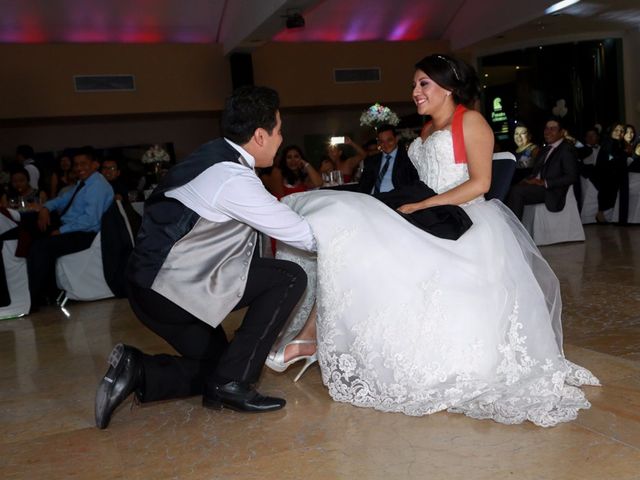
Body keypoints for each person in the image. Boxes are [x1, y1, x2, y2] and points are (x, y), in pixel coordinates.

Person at [266, 54, 598, 427]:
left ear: (449, 87)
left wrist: (425, 203)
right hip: (427, 211)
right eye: (414, 84)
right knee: (345, 225)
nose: (415, 91)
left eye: (423, 83)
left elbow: (481, 184)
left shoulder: (470, 121)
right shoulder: (424, 131)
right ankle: (313, 334)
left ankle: (310, 338)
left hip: (462, 218)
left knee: (361, 236)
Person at [94, 86, 317, 430]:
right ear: (260, 135)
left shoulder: (210, 156)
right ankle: (233, 385)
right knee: (288, 276)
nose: (281, 138)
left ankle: (136, 370)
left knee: (218, 364)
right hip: (172, 290)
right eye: (278, 130)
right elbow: (303, 236)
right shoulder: (231, 177)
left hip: (149, 286)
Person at [27, 146, 114, 309]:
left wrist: (61, 231)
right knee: (31, 235)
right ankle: (45, 292)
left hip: (85, 234)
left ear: (95, 164)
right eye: (76, 164)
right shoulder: (84, 183)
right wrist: (46, 208)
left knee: (41, 247)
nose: (79, 168)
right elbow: (62, 200)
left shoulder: (97, 185)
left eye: (83, 164)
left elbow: (90, 220)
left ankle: (35, 297)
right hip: (72, 228)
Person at [505, 117, 578, 220]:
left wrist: (545, 182)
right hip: (538, 187)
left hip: (552, 191)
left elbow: (571, 176)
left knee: (517, 191)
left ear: (561, 132)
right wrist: (528, 180)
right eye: (546, 128)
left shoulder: (566, 149)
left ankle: (514, 230)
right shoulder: (545, 150)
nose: (548, 132)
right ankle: (510, 226)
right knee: (511, 188)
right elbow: (537, 172)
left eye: (552, 129)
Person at [358, 124, 419, 194]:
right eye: (382, 141)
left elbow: (414, 183)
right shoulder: (372, 160)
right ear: (379, 143)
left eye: (389, 140)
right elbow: (363, 185)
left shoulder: (407, 159)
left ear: (396, 139)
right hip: (372, 199)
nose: (386, 144)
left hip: (395, 199)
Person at [591, 122, 627, 223]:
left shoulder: (618, 144)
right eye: (616, 130)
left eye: (621, 131)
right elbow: (609, 160)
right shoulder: (609, 143)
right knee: (607, 198)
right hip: (608, 177)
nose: (619, 133)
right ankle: (601, 215)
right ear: (611, 131)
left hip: (613, 177)